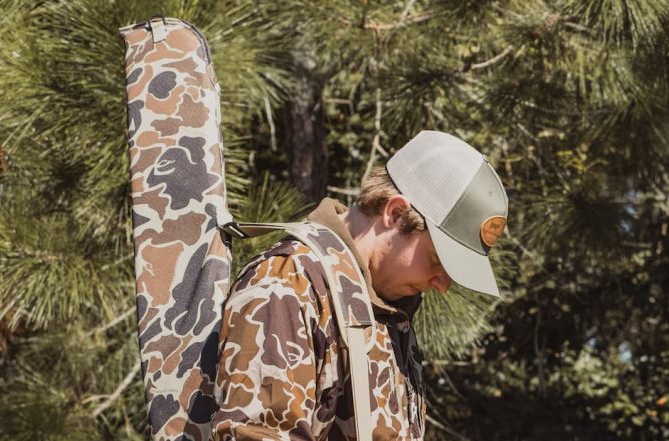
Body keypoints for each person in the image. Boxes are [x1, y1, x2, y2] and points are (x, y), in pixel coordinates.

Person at [211, 131, 508, 440]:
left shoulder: (385, 305)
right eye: (437, 260)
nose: (443, 285)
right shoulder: (288, 284)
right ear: (395, 214)